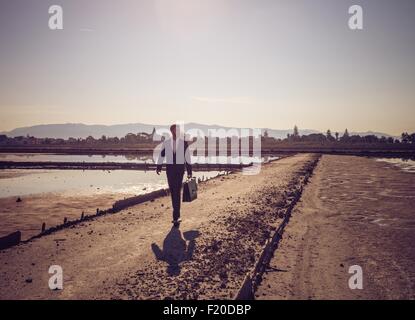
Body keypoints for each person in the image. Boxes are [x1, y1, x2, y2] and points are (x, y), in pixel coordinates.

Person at [156, 124, 192, 226]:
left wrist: (189, 172)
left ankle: (176, 216)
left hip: (179, 171)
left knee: (177, 191)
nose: (177, 132)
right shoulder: (167, 143)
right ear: (171, 131)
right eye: (175, 130)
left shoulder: (183, 143)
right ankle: (176, 215)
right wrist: (159, 167)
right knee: (173, 192)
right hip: (170, 171)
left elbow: (187, 157)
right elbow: (162, 155)